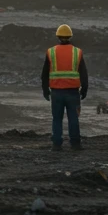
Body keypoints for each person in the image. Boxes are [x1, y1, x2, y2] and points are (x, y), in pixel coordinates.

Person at [41, 24, 88, 152]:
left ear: (58, 37)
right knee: (73, 118)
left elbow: (44, 74)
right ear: (70, 37)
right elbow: (83, 73)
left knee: (57, 119)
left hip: (56, 92)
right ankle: (75, 144)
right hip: (73, 92)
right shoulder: (77, 52)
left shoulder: (51, 52)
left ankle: (56, 145)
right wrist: (84, 89)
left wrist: (45, 90)